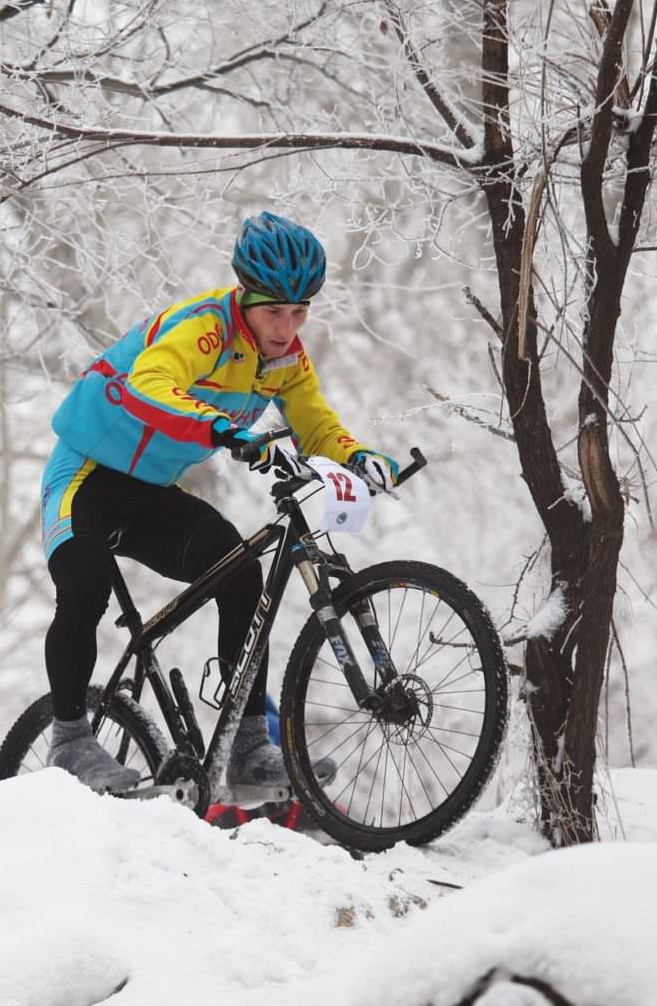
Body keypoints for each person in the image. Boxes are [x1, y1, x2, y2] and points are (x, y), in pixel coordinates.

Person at [38, 211, 402, 794]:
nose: (287, 328)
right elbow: (150, 384)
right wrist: (227, 431)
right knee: (84, 583)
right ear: (245, 296)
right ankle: (71, 741)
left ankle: (248, 747)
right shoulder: (205, 326)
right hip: (85, 477)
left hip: (151, 493)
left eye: (300, 310)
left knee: (240, 572)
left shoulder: (285, 358)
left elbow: (316, 426)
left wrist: (358, 457)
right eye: (275, 311)